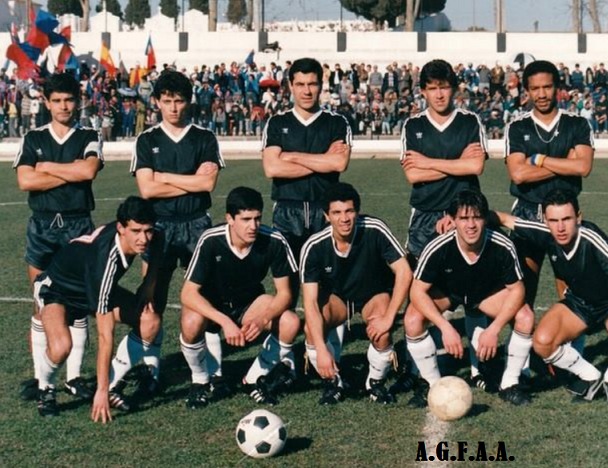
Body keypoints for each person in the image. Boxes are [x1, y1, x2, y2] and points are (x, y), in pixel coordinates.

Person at [128, 70, 225, 402]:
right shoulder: (147, 140)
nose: (173, 108)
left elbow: (208, 184)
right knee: (152, 299)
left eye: (179, 101)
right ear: (156, 102)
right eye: (167, 101)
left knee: (205, 297)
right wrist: (189, 180)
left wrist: (164, 177)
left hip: (197, 223)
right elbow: (146, 189)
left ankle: (214, 373)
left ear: (189, 102)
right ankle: (150, 372)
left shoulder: (204, 138)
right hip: (159, 227)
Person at [495, 189, 608, 407]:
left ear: (578, 217)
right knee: (542, 342)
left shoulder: (590, 237)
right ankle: (591, 376)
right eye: (553, 221)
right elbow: (505, 219)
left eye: (566, 219)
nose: (560, 227)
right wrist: (462, 218)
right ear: (546, 221)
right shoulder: (547, 233)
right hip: (579, 303)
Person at [396, 58, 488, 394]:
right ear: (422, 91)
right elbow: (412, 174)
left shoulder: (469, 121)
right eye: (432, 88)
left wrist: (430, 163)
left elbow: (476, 166)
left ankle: (479, 368)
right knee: (424, 294)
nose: (439, 94)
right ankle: (423, 370)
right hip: (424, 219)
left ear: (454, 89)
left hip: (466, 215)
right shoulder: (412, 126)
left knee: (475, 291)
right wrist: (457, 164)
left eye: (444, 87)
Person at [14, 72, 103, 403]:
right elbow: (25, 181)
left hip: (78, 226)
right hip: (42, 226)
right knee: (41, 303)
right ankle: (43, 380)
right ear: (46, 103)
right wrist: (71, 172)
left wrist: (45, 167)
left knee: (78, 305)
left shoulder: (89, 135)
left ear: (78, 101)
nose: (63, 106)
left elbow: (88, 171)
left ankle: (74, 378)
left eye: (69, 100)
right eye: (57, 101)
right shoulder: (32, 138)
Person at [403, 190, 533, 407]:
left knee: (526, 317)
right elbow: (417, 291)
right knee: (413, 319)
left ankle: (510, 384)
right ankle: (431, 384)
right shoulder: (437, 246)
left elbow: (517, 290)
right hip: (448, 293)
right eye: (463, 218)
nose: (471, 225)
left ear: (485, 219)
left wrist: (494, 329)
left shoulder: (502, 245)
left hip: (485, 294)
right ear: (452, 220)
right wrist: (445, 327)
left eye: (477, 217)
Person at [32, 197, 157, 420]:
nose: (143, 238)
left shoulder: (153, 236)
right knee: (61, 347)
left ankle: (113, 385)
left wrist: (148, 285)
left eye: (148, 231)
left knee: (150, 321)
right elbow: (105, 336)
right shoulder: (105, 262)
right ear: (121, 228)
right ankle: (45, 388)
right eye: (136, 231)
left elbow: (158, 247)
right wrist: (99, 390)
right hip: (57, 289)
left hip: (90, 286)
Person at [179, 187, 300, 408]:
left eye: (257, 218)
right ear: (230, 219)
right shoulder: (211, 240)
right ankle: (200, 381)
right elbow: (188, 293)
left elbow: (285, 293)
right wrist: (225, 322)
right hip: (213, 306)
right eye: (245, 219)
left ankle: (253, 380)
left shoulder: (274, 240)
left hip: (248, 303)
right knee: (190, 322)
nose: (253, 226)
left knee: (290, 321)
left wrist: (263, 319)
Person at [504, 59, 594, 337]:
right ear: (527, 91)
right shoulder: (518, 127)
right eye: (535, 88)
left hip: (565, 215)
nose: (541, 94)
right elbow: (518, 174)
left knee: (570, 289)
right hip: (528, 212)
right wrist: (564, 163)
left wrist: (540, 160)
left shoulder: (577, 124)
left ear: (558, 88)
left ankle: (569, 356)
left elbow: (583, 167)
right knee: (522, 291)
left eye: (547, 87)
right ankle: (522, 357)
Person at [300, 183, 412, 405]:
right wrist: (321, 349)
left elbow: (404, 272)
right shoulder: (314, 246)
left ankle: (375, 382)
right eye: (337, 213)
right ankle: (333, 383)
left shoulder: (374, 228)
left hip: (373, 294)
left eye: (349, 211)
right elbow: (310, 302)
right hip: (337, 299)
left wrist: (389, 318)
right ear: (326, 216)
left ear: (357, 212)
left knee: (382, 330)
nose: (344, 219)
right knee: (312, 329)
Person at [262, 57, 352, 259]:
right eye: (300, 84)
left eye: (312, 84)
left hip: (325, 210)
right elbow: (272, 168)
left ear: (321, 85)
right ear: (291, 86)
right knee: (288, 275)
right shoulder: (277, 122)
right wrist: (324, 160)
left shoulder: (337, 122)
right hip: (287, 210)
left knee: (327, 275)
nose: (307, 91)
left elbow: (339, 163)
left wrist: (291, 156)